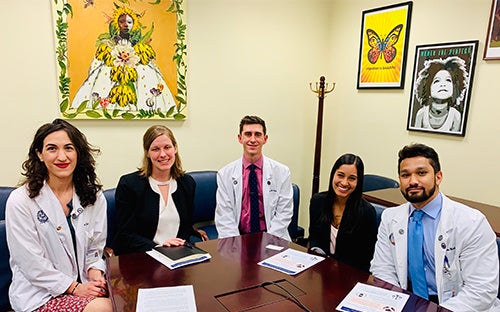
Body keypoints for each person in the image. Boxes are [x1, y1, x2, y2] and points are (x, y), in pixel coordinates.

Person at [370, 143, 500, 311]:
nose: (413, 181)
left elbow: (482, 291)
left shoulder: (472, 222)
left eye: (421, 173)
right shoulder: (390, 218)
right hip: (407, 300)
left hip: (458, 306)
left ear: (438, 177)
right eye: (405, 175)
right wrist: (395, 303)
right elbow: (382, 269)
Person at [5, 119, 111, 312]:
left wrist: (95, 273)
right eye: (52, 149)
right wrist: (75, 288)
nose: (62, 157)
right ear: (40, 154)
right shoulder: (21, 201)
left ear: (78, 153)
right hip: (41, 294)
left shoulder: (93, 196)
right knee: (106, 308)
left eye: (69, 148)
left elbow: (95, 247)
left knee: (131, 299)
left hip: (85, 286)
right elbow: (31, 264)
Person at [113, 125, 207, 255]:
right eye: (155, 149)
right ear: (147, 153)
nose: (163, 154)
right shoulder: (129, 185)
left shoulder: (187, 183)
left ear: (175, 148)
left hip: (178, 255)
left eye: (167, 147)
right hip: (142, 256)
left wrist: (179, 245)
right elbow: (125, 234)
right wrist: (159, 247)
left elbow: (186, 227)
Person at [71, 6, 176, 114]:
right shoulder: (110, 42)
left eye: (129, 22)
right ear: (117, 24)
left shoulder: (138, 44)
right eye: (122, 22)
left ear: (134, 24)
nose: (126, 25)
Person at [215, 115, 293, 241]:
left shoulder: (282, 172)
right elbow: (225, 216)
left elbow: (284, 213)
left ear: (265, 139)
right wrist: (236, 245)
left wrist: (268, 242)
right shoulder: (225, 174)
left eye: (257, 134)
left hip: (272, 236)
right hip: (238, 236)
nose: (252, 139)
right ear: (240, 138)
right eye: (248, 134)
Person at [308, 153, 377, 272]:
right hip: (321, 272)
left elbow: (365, 258)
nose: (344, 183)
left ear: (358, 182)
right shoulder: (318, 201)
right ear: (333, 175)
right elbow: (314, 237)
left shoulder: (366, 212)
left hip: (350, 275)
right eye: (340, 175)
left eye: (352, 178)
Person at [412, 56, 468, 133]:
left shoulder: (455, 115)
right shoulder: (421, 113)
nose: (443, 85)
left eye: (448, 80)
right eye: (437, 81)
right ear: (428, 88)